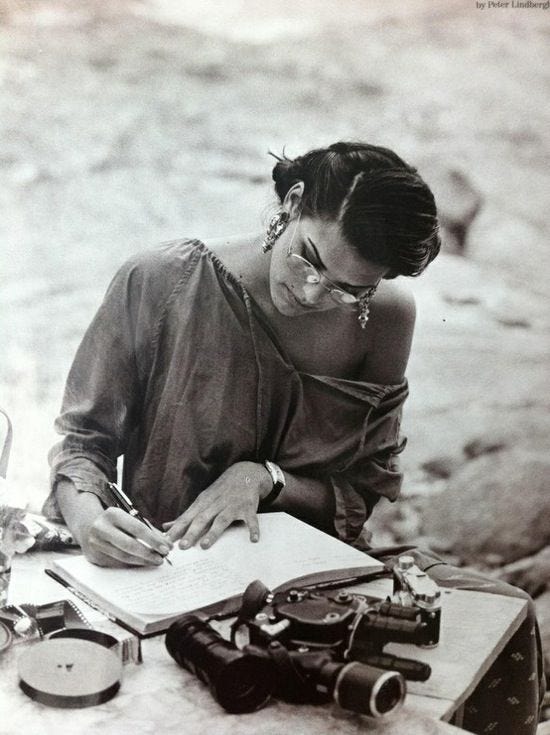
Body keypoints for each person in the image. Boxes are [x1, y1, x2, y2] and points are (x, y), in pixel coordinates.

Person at [43, 141, 544, 734]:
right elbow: (82, 440)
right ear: (295, 201)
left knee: (504, 614)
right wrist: (87, 520)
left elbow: (359, 494)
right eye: (309, 260)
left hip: (319, 585)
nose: (312, 294)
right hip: (172, 581)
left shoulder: (385, 317)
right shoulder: (163, 281)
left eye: (347, 289)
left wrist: (266, 480)